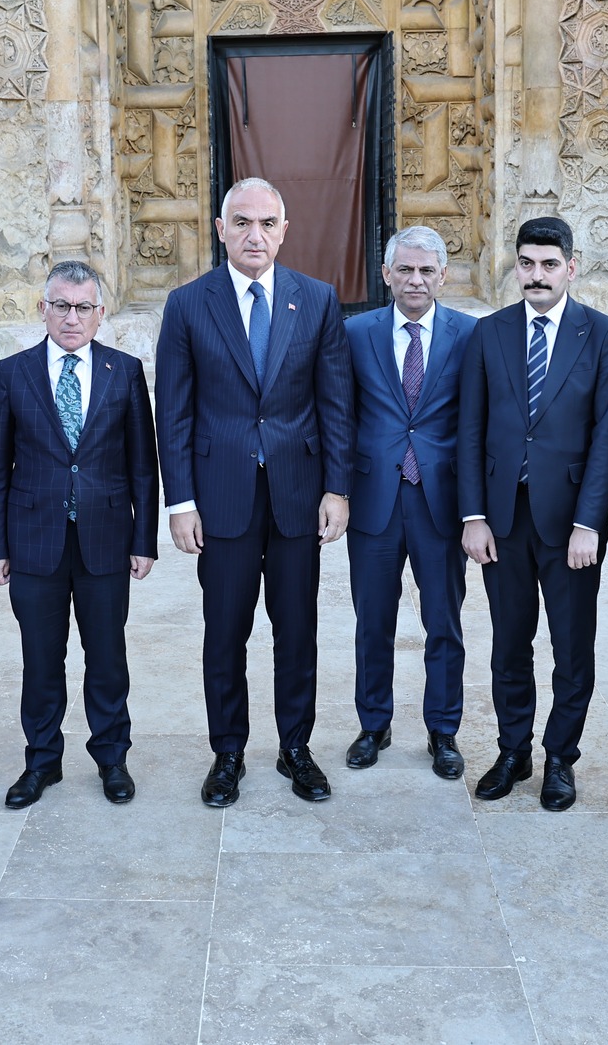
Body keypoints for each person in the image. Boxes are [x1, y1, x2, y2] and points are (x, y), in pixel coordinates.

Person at [156, 177, 354, 808]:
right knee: (225, 631)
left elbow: (335, 403)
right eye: (241, 222)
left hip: (298, 494)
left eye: (267, 223)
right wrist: (180, 501)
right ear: (220, 230)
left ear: (285, 231)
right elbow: (175, 413)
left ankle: (296, 747)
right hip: (222, 501)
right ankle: (228, 753)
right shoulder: (189, 305)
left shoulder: (317, 300)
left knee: (297, 630)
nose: (255, 235)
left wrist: (338, 488)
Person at [458, 218, 608, 808]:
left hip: (570, 523)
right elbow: (470, 429)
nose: (537, 275)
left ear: (570, 268)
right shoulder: (490, 333)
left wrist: (591, 523)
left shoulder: (603, 336)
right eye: (527, 263)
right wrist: (473, 516)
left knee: (572, 645)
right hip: (503, 519)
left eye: (548, 264)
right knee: (509, 641)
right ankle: (513, 750)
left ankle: (561, 756)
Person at [0, 261, 158, 810]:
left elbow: (142, 465)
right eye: (61, 305)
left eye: (83, 307)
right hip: (33, 541)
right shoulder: (11, 374)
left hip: (106, 537)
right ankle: (41, 760)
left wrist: (143, 539)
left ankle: (111, 758)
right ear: (43, 310)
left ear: (101, 314)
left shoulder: (124, 372)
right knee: (40, 658)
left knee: (106, 655)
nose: (72, 317)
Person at [341, 228, 475, 780]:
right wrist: (337, 490)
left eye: (426, 271)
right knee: (373, 620)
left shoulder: (471, 335)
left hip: (441, 500)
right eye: (405, 270)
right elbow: (338, 414)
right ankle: (374, 723)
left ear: (442, 276)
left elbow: (478, 423)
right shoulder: (354, 333)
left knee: (443, 619)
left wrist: (476, 510)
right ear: (387, 274)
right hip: (374, 498)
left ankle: (443, 731)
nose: (415, 280)